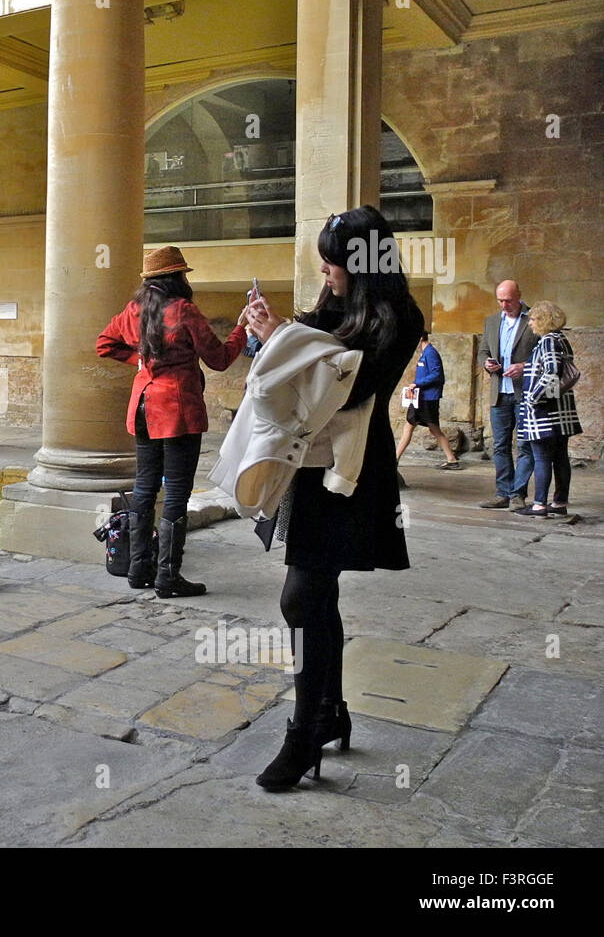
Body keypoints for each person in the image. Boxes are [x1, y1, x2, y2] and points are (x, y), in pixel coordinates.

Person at [244, 206, 424, 791]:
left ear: (364, 265)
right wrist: (267, 335)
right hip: (311, 465)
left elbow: (348, 388)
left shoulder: (398, 316)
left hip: (349, 473)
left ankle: (304, 732)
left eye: (334, 266)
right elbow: (299, 361)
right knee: (318, 596)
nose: (326, 276)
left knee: (301, 597)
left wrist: (280, 341)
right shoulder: (336, 304)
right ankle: (329, 711)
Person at [97, 246, 248, 596]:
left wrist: (143, 358)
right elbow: (221, 359)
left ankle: (137, 570)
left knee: (145, 488)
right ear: (177, 276)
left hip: (143, 406)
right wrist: (240, 329)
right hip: (177, 411)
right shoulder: (184, 311)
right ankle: (167, 577)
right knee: (177, 491)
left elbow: (104, 343)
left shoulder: (133, 310)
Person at [514, 302, 581, 517]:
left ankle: (539, 504)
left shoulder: (549, 341)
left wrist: (534, 397)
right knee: (560, 456)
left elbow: (552, 372)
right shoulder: (561, 339)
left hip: (545, 412)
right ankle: (559, 503)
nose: (530, 324)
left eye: (533, 319)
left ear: (543, 320)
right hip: (559, 411)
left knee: (541, 457)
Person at [478, 281, 536, 510]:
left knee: (524, 446)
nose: (504, 305)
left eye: (509, 300)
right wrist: (486, 363)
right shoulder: (491, 322)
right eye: (500, 300)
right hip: (499, 393)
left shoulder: (534, 319)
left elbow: (546, 353)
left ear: (519, 296)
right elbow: (483, 350)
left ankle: (518, 494)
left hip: (524, 393)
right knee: (500, 446)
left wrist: (524, 366)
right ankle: (502, 492)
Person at [395, 332, 460, 470]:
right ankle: (451, 459)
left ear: (420, 338)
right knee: (426, 428)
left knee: (423, 428)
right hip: (422, 397)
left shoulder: (430, 353)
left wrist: (418, 383)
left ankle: (394, 459)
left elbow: (437, 374)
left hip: (427, 398)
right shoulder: (425, 353)